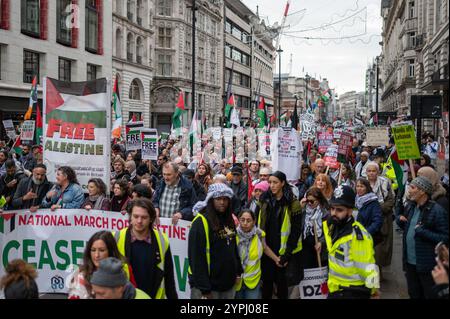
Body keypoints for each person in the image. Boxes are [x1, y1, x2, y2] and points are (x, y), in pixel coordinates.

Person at [322, 185, 380, 299]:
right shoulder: (331, 226)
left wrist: (374, 291)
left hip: (353, 292)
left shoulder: (358, 236)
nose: (334, 213)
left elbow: (367, 267)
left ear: (350, 211)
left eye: (339, 210)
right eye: (332, 208)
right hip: (335, 289)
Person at [113, 198, 178, 299]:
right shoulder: (117, 238)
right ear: (130, 217)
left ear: (151, 219)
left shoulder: (162, 240)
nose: (139, 221)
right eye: (136, 216)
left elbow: (169, 277)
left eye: (144, 217)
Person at [396, 176, 448, 299]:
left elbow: (445, 238)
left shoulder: (437, 211)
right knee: (414, 294)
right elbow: (409, 228)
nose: (409, 190)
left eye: (413, 187)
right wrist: (400, 220)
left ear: (422, 191)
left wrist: (423, 232)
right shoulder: (411, 207)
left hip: (427, 266)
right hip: (410, 263)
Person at [189, 183, 242, 299]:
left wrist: (238, 271)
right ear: (211, 200)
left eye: (225, 199)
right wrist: (205, 289)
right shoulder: (200, 222)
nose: (222, 202)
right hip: (208, 288)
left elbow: (233, 247)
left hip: (228, 285)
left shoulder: (229, 220)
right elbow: (196, 258)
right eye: (218, 199)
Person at [256, 171, 303, 299]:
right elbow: (257, 225)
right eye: (270, 182)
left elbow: (295, 231)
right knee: (266, 286)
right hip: (266, 251)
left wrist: (286, 255)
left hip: (283, 253)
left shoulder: (293, 204)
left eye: (275, 182)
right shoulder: (263, 200)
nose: (272, 185)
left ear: (282, 183)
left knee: (282, 287)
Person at [68, 231, 128, 299]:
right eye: (93, 250)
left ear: (111, 252)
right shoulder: (81, 276)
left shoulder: (122, 272)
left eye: (101, 250)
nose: (96, 255)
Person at [235, 209, 280, 299]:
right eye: (242, 220)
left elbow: (265, 248)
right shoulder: (233, 235)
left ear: (254, 221)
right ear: (238, 220)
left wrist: (277, 259)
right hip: (236, 281)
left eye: (248, 220)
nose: (245, 223)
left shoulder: (259, 234)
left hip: (253, 281)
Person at [366, 161, 395, 270]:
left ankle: (379, 270)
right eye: (369, 171)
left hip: (383, 220)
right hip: (367, 220)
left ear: (378, 172)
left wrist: (377, 209)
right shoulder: (362, 183)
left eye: (374, 171)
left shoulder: (385, 182)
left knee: (380, 248)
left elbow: (391, 200)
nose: (371, 173)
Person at [299, 187, 329, 269]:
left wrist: (321, 242)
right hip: (305, 246)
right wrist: (299, 209)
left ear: (318, 200)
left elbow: (328, 232)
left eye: (312, 201)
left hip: (318, 247)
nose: (309, 203)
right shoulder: (303, 211)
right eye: (307, 201)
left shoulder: (325, 213)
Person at [355, 178, 383, 243]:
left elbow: (377, 221)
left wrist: (366, 233)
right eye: (357, 186)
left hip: (367, 237)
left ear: (367, 188)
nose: (359, 189)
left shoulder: (373, 202)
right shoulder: (356, 200)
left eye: (362, 186)